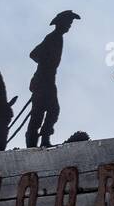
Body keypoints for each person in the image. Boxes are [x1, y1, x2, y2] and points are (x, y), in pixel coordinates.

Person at [26, 10, 80, 147]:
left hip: (48, 80)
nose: (69, 26)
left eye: (70, 23)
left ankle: (43, 139)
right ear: (61, 23)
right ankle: (36, 141)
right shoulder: (52, 38)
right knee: (44, 111)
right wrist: (45, 62)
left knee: (50, 110)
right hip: (43, 80)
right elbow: (33, 54)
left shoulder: (58, 38)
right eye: (68, 23)